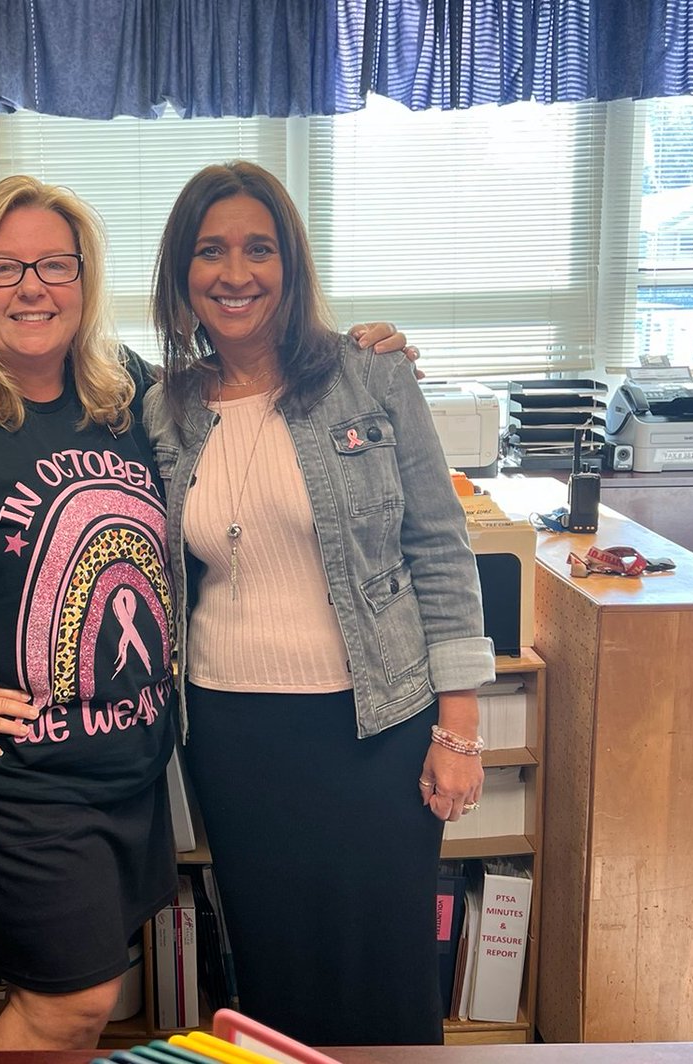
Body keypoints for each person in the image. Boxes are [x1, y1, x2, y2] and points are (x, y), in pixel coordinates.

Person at [0, 172, 408, 1050]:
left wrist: (356, 361)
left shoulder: (129, 394)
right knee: (70, 1004)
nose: (33, 287)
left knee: (81, 996)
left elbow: (249, 406)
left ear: (85, 278)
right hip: (16, 782)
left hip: (129, 770)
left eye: (54, 265)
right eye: (3, 269)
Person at [143, 160, 495, 1047]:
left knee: (385, 968)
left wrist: (458, 732)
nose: (236, 273)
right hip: (231, 732)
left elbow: (441, 549)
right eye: (210, 251)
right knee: (269, 970)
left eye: (259, 249)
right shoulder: (163, 407)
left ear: (290, 266)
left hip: (374, 724)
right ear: (182, 274)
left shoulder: (370, 378)